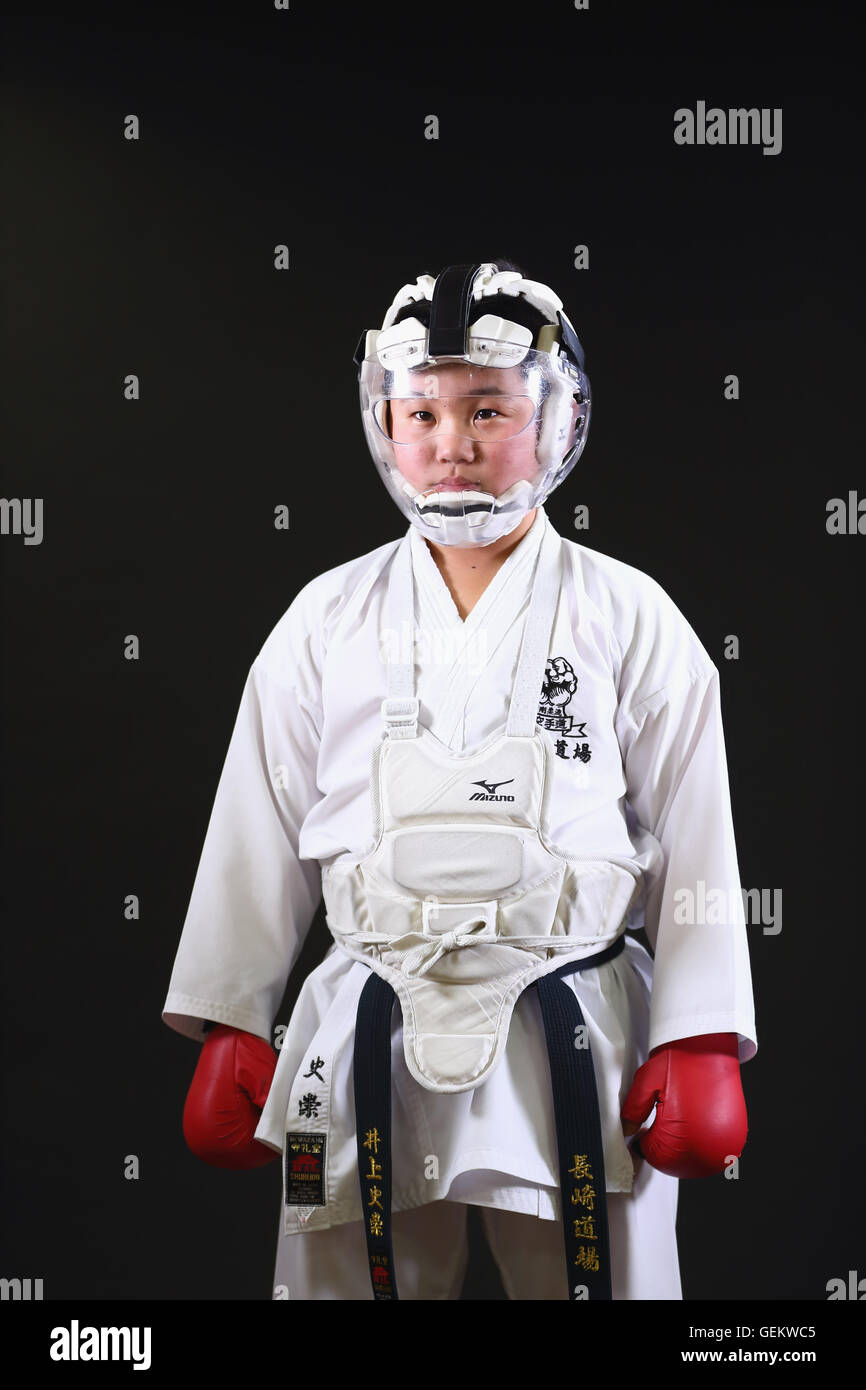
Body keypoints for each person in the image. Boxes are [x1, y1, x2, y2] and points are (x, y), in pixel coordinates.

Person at [162, 259, 757, 1301]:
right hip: (365, 1026)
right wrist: (229, 1015)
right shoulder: (327, 617)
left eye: (488, 408)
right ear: (383, 422)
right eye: (421, 412)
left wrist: (698, 1030)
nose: (451, 444)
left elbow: (692, 826)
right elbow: (255, 823)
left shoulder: (626, 615)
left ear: (557, 417)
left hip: (572, 1029)